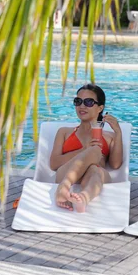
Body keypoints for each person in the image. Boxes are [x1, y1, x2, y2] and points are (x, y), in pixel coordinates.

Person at [49, 84, 124, 212]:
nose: (82, 106)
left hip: (95, 176)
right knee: (95, 150)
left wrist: (118, 132)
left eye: (88, 102)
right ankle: (64, 185)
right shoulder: (64, 132)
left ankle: (84, 198)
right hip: (66, 174)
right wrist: (84, 150)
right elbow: (53, 163)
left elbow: (115, 164)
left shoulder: (109, 136)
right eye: (78, 101)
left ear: (100, 108)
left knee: (95, 169)